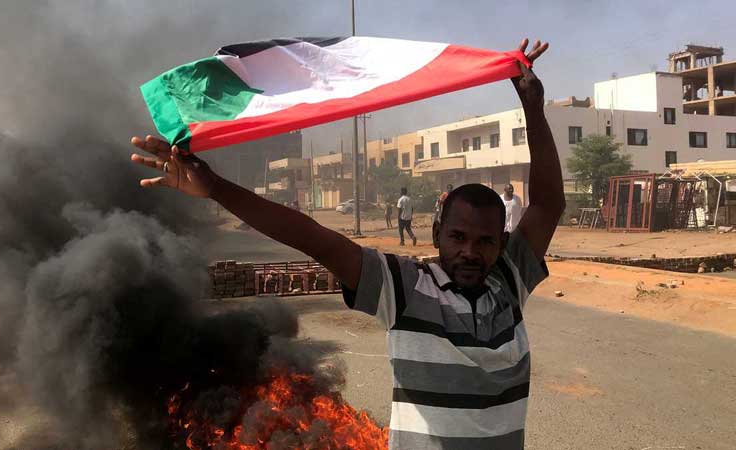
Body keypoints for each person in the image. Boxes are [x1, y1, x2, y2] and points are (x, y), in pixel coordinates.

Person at [130, 38, 562, 450]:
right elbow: (315, 238)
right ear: (435, 235)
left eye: (485, 241)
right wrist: (217, 188)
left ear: (501, 243)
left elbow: (547, 205)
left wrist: (533, 108)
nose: (470, 251)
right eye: (458, 237)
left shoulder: (508, 282)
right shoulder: (404, 288)